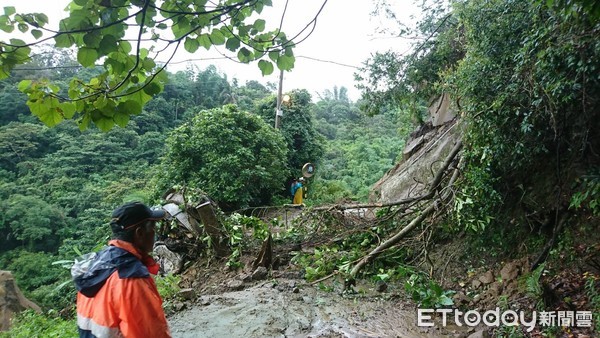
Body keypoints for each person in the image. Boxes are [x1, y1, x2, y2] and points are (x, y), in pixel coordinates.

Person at [72, 201, 171, 338]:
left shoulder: (95, 266)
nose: (154, 233)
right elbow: (149, 333)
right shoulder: (130, 278)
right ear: (140, 233)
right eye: (152, 227)